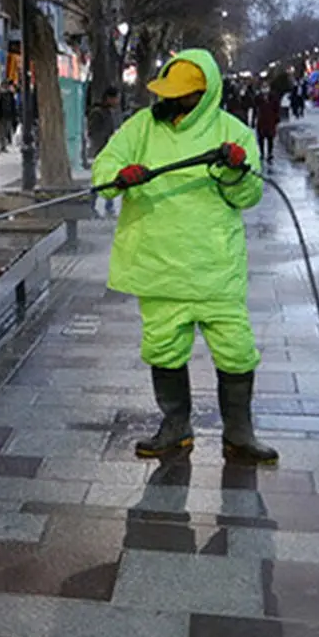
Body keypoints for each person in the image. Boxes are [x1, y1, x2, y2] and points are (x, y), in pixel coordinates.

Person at [91, 48, 278, 466]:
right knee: (163, 348)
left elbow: (247, 196)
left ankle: (239, 432)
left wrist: (235, 169)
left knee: (236, 349)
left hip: (215, 266)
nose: (176, 101)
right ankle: (175, 426)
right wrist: (118, 178)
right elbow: (105, 169)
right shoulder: (141, 127)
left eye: (187, 94)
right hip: (157, 263)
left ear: (208, 92)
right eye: (171, 93)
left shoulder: (234, 132)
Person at [87, 87, 123, 217]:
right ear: (109, 98)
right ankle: (91, 206)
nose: (117, 101)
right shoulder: (98, 113)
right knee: (98, 179)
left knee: (110, 178)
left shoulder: (107, 112)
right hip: (100, 151)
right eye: (116, 98)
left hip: (107, 150)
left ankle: (109, 206)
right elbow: (93, 133)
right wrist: (103, 144)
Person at [252, 84, 280, 164]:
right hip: (261, 120)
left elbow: (277, 108)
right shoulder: (258, 97)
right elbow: (255, 108)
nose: (265, 89)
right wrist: (253, 119)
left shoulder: (273, 97)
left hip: (270, 120)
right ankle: (262, 153)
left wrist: (277, 119)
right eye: (263, 87)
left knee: (270, 138)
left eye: (266, 87)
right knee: (261, 138)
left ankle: (270, 153)